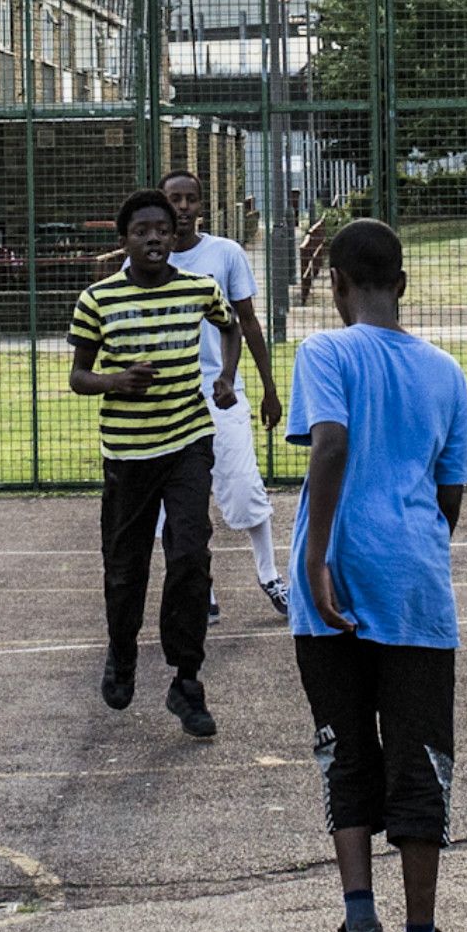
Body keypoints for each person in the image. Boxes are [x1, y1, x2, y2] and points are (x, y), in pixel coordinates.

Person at [285, 218, 467, 932]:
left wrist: (317, 554)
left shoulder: (325, 351)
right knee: (421, 759)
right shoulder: (446, 372)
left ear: (335, 284)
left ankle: (360, 920)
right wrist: (416, 551)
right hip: (414, 586)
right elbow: (450, 491)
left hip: (330, 581)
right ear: (402, 284)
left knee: (345, 752)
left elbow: (329, 444)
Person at [68, 188, 240, 738]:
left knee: (190, 556)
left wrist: (226, 376)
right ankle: (122, 651)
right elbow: (78, 377)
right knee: (125, 567)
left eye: (162, 230)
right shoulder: (98, 299)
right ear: (124, 242)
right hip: (127, 453)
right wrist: (115, 381)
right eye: (141, 231)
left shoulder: (199, 289)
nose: (153, 238)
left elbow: (230, 325)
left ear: (175, 238)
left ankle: (186, 682)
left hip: (188, 441)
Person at [145, 170, 290, 623]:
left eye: (191, 199)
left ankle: (270, 577)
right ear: (163, 206)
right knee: (174, 505)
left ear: (202, 206)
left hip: (222, 393)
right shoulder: (143, 261)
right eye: (175, 199)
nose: (183, 207)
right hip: (168, 398)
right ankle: (197, 586)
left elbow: (247, 322)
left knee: (244, 487)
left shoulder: (225, 253)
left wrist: (267, 387)